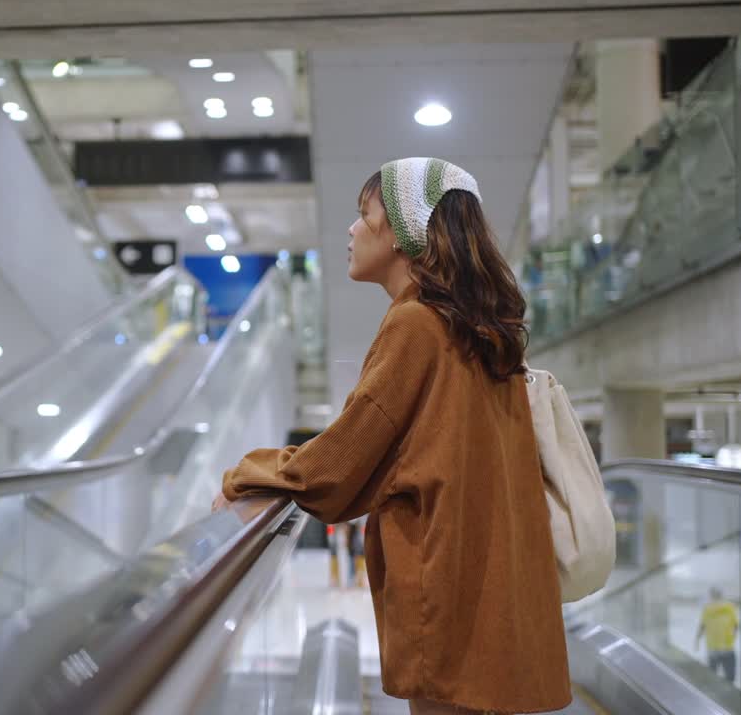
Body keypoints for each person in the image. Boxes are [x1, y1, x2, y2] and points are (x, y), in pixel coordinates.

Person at [213, 158, 570, 715]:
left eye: (365, 215)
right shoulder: (479, 333)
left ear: (406, 233)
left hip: (445, 591)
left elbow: (335, 467)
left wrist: (245, 473)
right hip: (498, 593)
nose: (352, 231)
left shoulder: (416, 324)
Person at [697, 587, 739, 682]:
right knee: (729, 676)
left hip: (715, 648)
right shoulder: (729, 607)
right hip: (726, 647)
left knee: (714, 675)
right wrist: (733, 637)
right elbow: (736, 625)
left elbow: (702, 626)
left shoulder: (708, 608)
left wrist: (697, 639)